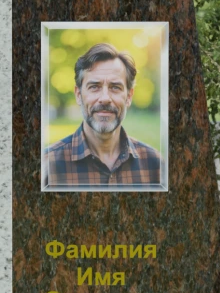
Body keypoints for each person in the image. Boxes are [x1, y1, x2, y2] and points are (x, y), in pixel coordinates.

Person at [44, 43, 161, 188]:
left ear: (129, 96)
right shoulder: (47, 166)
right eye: (94, 87)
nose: (105, 98)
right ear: (79, 95)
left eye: (115, 87)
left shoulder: (156, 165)